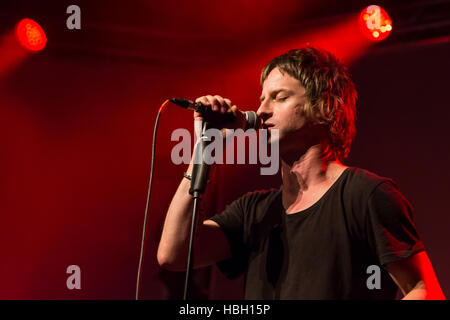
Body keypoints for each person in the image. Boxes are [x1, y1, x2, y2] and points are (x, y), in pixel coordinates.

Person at [157, 47, 445, 299]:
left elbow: (423, 289)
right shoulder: (254, 211)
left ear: (323, 108)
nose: (261, 110)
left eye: (278, 98)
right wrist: (203, 151)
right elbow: (173, 255)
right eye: (261, 99)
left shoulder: (365, 195)